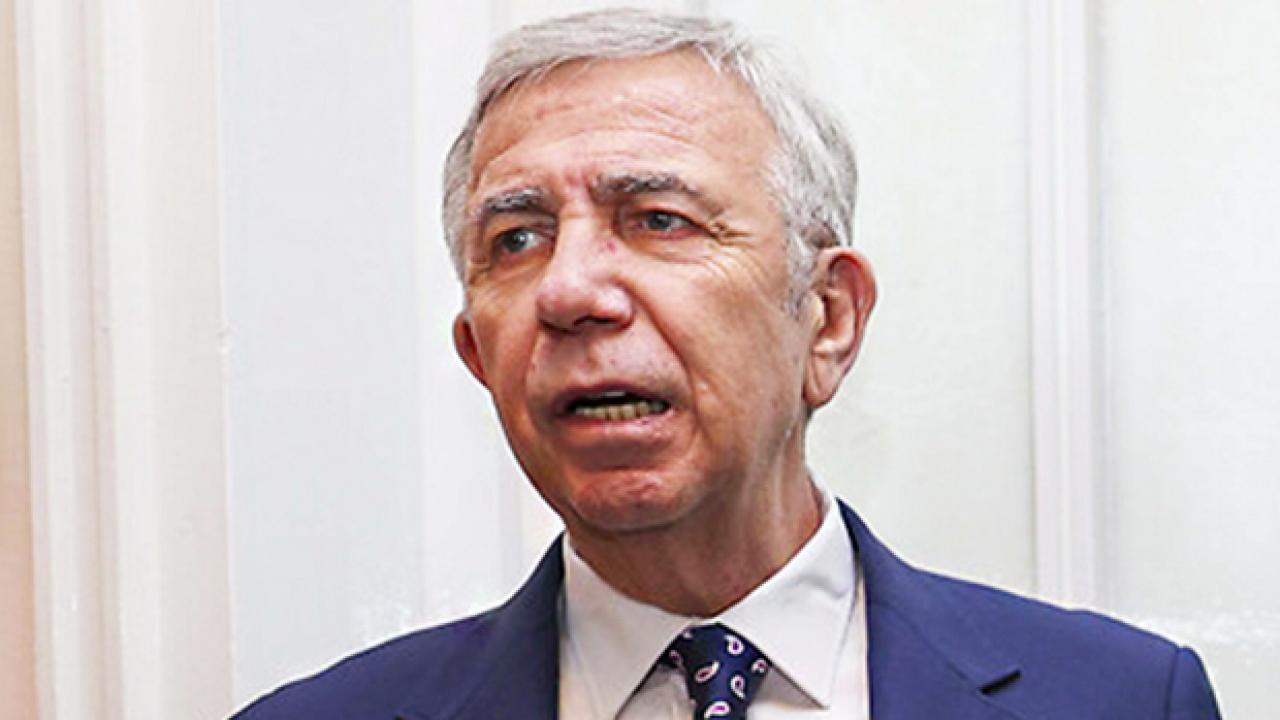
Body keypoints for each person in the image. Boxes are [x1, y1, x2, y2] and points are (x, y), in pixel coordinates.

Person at [234, 9, 1221, 719]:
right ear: (478, 357)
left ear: (826, 319)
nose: (569, 290)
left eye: (657, 219)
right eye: (517, 239)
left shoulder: (1125, 700)